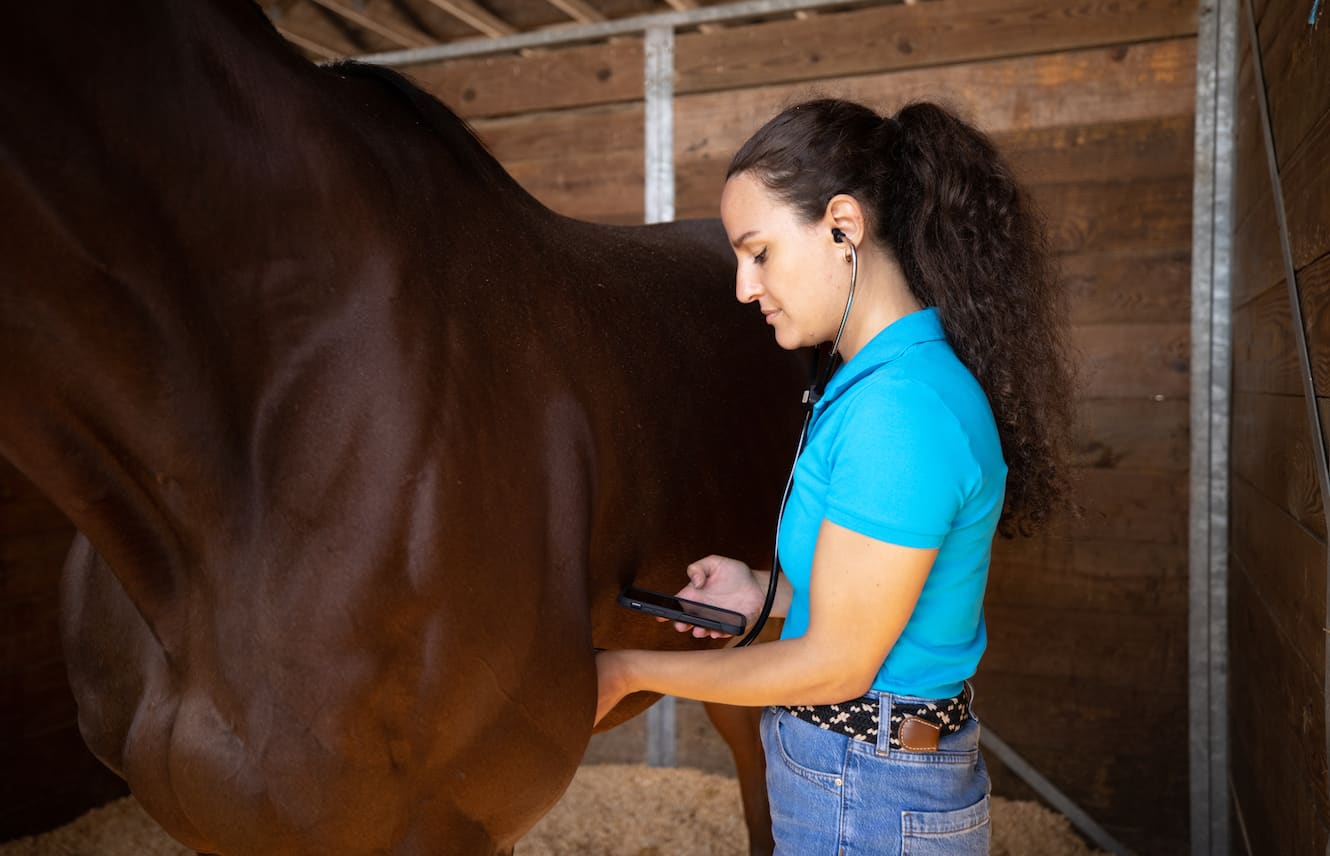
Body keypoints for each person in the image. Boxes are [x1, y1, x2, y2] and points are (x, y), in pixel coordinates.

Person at [594, 98, 1074, 853]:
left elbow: (836, 665)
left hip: (869, 791)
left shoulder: (901, 413)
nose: (745, 288)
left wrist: (623, 671)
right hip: (861, 771)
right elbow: (877, 602)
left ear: (843, 228)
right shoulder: (881, 386)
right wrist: (765, 592)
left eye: (760, 253)